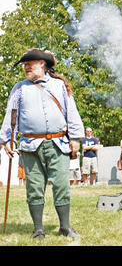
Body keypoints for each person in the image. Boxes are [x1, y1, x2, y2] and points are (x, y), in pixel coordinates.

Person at [0, 48, 84, 239]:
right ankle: (38, 229)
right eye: (25, 64)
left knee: (62, 185)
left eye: (30, 63)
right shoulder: (19, 88)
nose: (26, 66)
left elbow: (71, 112)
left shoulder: (59, 86)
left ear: (42, 64)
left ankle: (65, 227)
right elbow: (10, 117)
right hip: (30, 146)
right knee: (34, 188)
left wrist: (76, 138)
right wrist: (7, 140)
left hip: (58, 143)